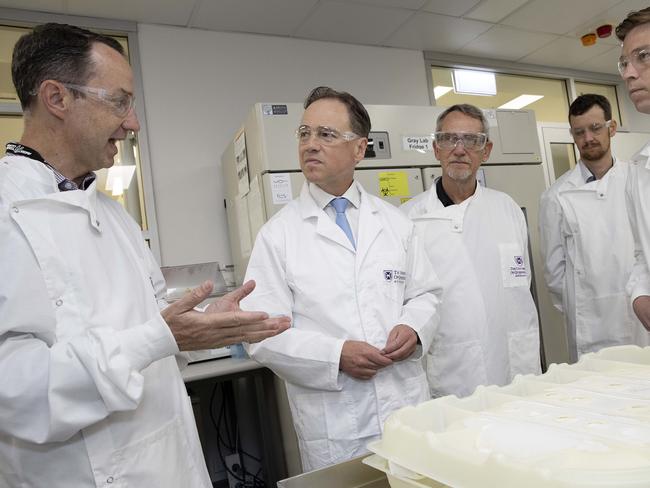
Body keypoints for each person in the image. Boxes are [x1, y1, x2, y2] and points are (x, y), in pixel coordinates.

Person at [0, 23, 289, 488]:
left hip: (171, 458)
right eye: (119, 101)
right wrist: (158, 336)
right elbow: (15, 393)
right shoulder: (6, 212)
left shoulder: (113, 215)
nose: (132, 122)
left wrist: (200, 326)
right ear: (57, 98)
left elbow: (151, 318)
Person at [241, 86, 441, 471]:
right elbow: (261, 333)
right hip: (336, 423)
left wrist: (413, 327)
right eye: (304, 133)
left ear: (359, 149)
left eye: (326, 134)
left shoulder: (396, 223)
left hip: (405, 406)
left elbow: (426, 294)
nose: (310, 144)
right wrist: (335, 355)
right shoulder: (278, 234)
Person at [401, 104, 541, 398]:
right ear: (436, 148)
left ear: (486, 151)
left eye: (472, 140)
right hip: (452, 371)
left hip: (513, 365)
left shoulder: (507, 208)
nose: (460, 149)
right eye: (450, 139)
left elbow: (521, 285)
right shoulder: (408, 220)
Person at [539, 94, 648, 361]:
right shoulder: (556, 196)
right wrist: (580, 306)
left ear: (611, 128)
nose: (588, 138)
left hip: (639, 313)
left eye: (595, 128)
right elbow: (555, 272)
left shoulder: (639, 179)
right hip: (590, 324)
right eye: (579, 132)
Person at [617, 8, 650, 334]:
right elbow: (643, 250)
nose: (629, 73)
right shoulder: (640, 166)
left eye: (644, 56)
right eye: (625, 62)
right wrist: (640, 292)